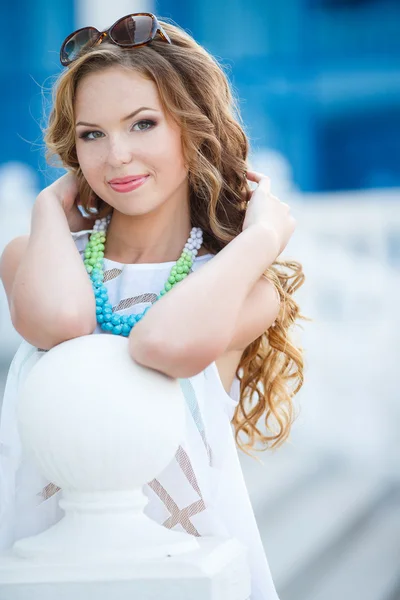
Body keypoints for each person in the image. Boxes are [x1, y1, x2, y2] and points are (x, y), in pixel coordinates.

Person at [0, 13, 306, 599]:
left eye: (142, 124)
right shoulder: (32, 257)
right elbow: (61, 325)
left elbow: (161, 346)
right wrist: (47, 208)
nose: (116, 156)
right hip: (44, 566)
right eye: (91, 134)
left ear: (195, 129)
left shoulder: (243, 286)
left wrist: (261, 240)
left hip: (179, 567)